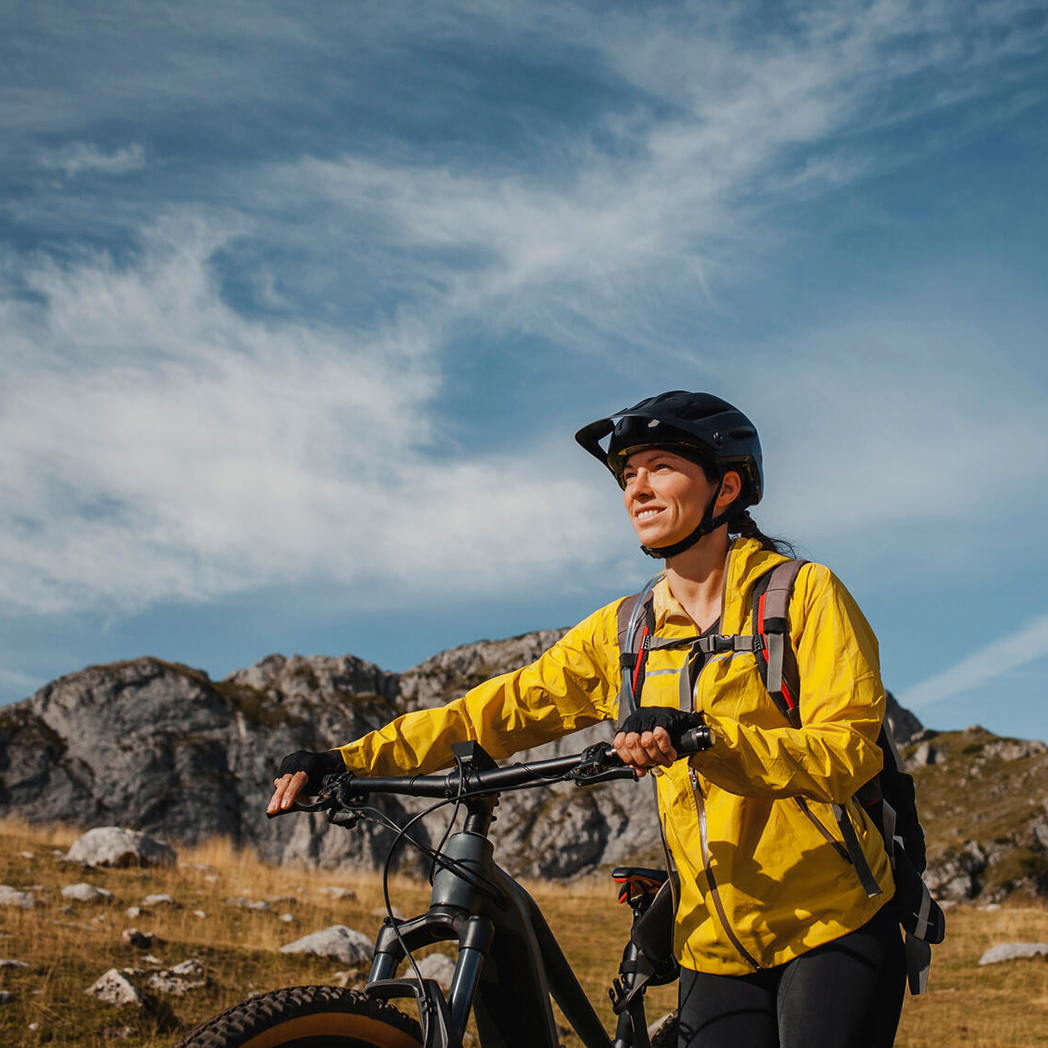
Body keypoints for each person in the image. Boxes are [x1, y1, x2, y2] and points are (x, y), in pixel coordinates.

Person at [268, 390, 907, 1048]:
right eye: (628, 475)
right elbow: (495, 711)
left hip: (833, 924)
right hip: (712, 947)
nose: (637, 488)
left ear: (728, 485)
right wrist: (348, 759)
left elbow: (847, 753)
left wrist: (706, 738)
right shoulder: (626, 631)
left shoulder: (802, 595)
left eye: (659, 467)